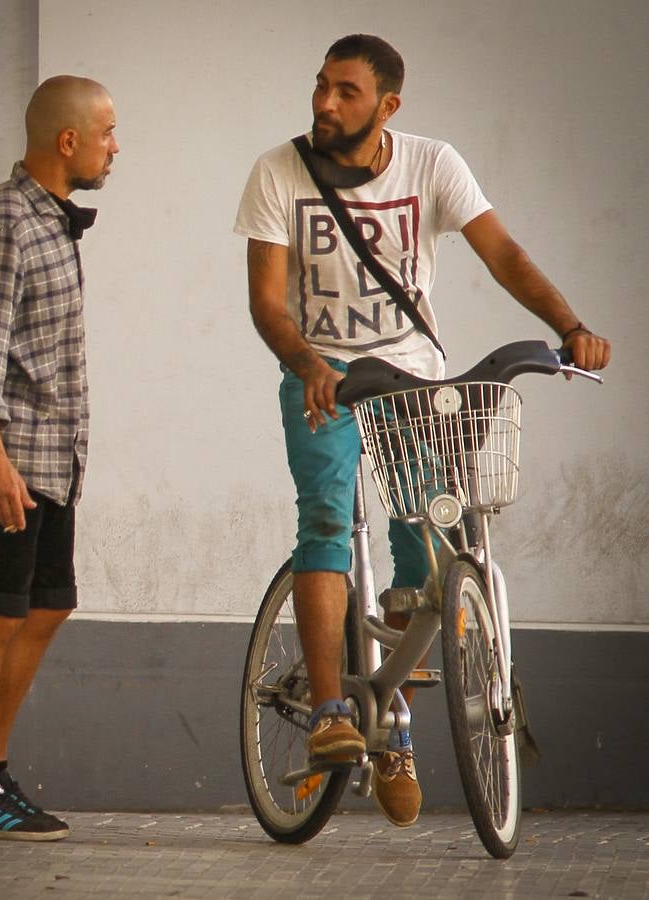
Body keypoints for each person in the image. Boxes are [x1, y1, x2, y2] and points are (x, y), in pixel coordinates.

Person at [234, 34, 610, 828]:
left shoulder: (432, 164)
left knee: (428, 554)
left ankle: (393, 725)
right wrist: (307, 363)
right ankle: (335, 709)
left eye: (345, 92)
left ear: (387, 106)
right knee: (328, 520)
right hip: (325, 375)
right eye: (320, 87)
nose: (324, 104)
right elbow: (268, 300)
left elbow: (499, 250)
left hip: (412, 377)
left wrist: (567, 324)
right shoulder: (278, 170)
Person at [0, 75, 119, 840]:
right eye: (107, 132)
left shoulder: (53, 222)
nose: (115, 146)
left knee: (47, 604)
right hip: (10, 457)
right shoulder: (8, 219)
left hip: (53, 458)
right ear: (66, 140)